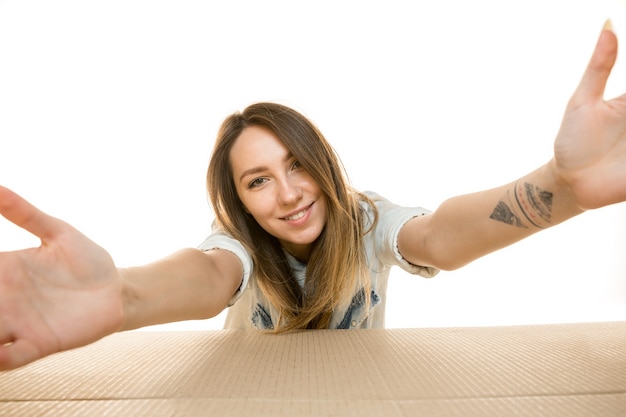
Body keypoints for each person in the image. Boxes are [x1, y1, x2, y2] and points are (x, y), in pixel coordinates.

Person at [0, 21, 625, 371]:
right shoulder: (235, 247)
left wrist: (561, 191)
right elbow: (206, 278)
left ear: (324, 163)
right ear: (239, 202)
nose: (289, 194)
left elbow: (436, 237)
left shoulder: (366, 220)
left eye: (297, 165)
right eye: (258, 180)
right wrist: (123, 297)